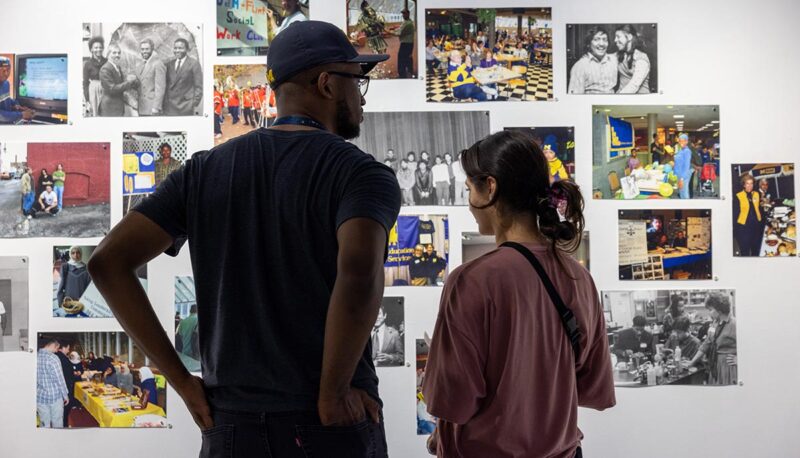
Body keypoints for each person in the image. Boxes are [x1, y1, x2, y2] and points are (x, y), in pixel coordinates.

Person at [88, 21, 398, 457]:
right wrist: (333, 393)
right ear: (328, 84)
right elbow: (361, 271)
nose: (360, 99)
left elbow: (107, 263)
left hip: (230, 424)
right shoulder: (360, 174)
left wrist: (181, 382)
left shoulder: (203, 171)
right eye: (357, 81)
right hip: (327, 423)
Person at [422, 130, 615, 457]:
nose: (468, 201)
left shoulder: (471, 281)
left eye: (469, 188)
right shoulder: (579, 277)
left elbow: (452, 401)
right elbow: (592, 388)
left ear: (490, 188)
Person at [687, 293, 737, 385]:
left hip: (728, 367)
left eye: (710, 310)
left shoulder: (734, 324)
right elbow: (706, 344)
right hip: (715, 365)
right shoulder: (715, 323)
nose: (709, 313)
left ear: (719, 309)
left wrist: (739, 359)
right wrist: (692, 362)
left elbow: (749, 345)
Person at [568, 27, 617, 94]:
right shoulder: (580, 66)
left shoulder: (614, 60)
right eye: (596, 39)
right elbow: (575, 97)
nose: (601, 44)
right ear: (589, 44)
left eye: (605, 40)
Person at [164, 38, 203, 116]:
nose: (177, 50)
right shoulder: (169, 64)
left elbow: (199, 86)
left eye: (180, 48)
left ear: (187, 49)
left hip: (185, 106)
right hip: (170, 107)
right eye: (175, 48)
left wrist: (193, 103)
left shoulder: (194, 64)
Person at [99, 43, 139, 116]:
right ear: (108, 54)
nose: (117, 55)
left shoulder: (117, 67)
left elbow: (121, 84)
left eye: (119, 53)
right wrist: (129, 82)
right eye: (114, 53)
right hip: (110, 107)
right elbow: (112, 89)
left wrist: (133, 81)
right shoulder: (105, 69)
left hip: (118, 106)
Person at [37, 338, 69, 428]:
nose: (56, 351)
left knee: (44, 423)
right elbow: (60, 379)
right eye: (56, 348)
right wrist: (65, 395)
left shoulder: (35, 356)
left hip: (40, 397)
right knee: (57, 422)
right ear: (53, 345)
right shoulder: (53, 358)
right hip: (55, 397)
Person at [614, 25, 651, 94]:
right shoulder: (618, 55)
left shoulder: (641, 58)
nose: (615, 40)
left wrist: (616, 99)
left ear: (629, 37)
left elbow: (634, 85)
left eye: (618, 37)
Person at [733, 173, 763, 256]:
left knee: (756, 250)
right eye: (747, 183)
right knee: (745, 251)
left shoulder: (757, 194)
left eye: (751, 183)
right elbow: (735, 213)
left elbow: (759, 208)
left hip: (756, 226)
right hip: (744, 227)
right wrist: (736, 229)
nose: (749, 186)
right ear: (744, 185)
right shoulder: (738, 196)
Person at [135, 38, 166, 116]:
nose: (144, 51)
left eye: (147, 49)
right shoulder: (141, 64)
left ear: (152, 49)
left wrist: (156, 107)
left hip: (152, 107)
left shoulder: (158, 64)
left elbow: (160, 88)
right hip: (141, 106)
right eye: (142, 49)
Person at [56, 246, 92, 313]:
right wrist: (61, 303)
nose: (75, 255)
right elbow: (60, 287)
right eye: (73, 253)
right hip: (68, 303)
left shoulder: (87, 268)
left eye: (78, 252)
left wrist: (87, 302)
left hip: (82, 303)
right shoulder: (65, 267)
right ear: (70, 254)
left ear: (81, 254)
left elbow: (89, 288)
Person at [0, 56, 34, 124]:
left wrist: (17, 106)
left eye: (8, 70)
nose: (6, 73)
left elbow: (6, 99)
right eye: (3, 70)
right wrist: (22, 114)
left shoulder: (6, 83)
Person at [55, 340, 79, 427]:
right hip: (65, 388)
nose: (69, 351)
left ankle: (63, 424)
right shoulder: (62, 358)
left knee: (62, 410)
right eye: (68, 348)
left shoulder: (57, 356)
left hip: (61, 387)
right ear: (64, 347)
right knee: (65, 409)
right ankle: (64, 425)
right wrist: (74, 375)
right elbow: (66, 375)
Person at [83, 37, 107, 117]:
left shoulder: (107, 61)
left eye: (100, 47)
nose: (98, 49)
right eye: (96, 47)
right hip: (93, 90)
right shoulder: (87, 64)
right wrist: (87, 99)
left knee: (105, 112)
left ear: (103, 48)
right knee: (95, 114)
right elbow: (85, 83)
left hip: (106, 89)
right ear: (91, 50)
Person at [396, 9, 415, 78]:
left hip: (406, 43)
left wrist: (387, 32)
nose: (403, 15)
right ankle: (410, 70)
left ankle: (402, 74)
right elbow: (400, 29)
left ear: (408, 14)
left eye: (404, 14)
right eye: (403, 14)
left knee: (401, 58)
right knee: (408, 57)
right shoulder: (407, 22)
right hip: (409, 43)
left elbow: (399, 33)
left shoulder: (408, 23)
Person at [674, 134, 693, 199]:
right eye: (680, 141)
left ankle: (687, 208)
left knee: (684, 193)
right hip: (679, 173)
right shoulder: (681, 150)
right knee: (681, 192)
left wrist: (682, 179)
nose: (681, 143)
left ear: (686, 142)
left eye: (683, 141)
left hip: (684, 174)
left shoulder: (687, 151)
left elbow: (686, 166)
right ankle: (683, 207)